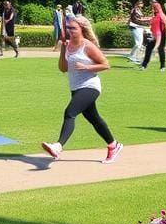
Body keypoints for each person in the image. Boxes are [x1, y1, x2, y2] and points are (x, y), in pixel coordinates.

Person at [42, 15, 121, 164]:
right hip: (76, 88)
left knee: (70, 112)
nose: (70, 31)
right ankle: (113, 145)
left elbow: (106, 64)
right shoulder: (68, 45)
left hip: (90, 86)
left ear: (81, 29)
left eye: (73, 28)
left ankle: (58, 146)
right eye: (68, 28)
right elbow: (63, 69)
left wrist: (87, 67)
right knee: (94, 118)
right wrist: (63, 48)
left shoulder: (88, 46)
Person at [139, 0, 166, 71]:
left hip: (160, 35)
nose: (152, 9)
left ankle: (162, 66)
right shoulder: (157, 16)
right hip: (155, 35)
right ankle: (144, 65)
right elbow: (150, 20)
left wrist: (156, 46)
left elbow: (159, 33)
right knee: (149, 49)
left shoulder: (159, 17)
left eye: (153, 7)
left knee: (160, 50)